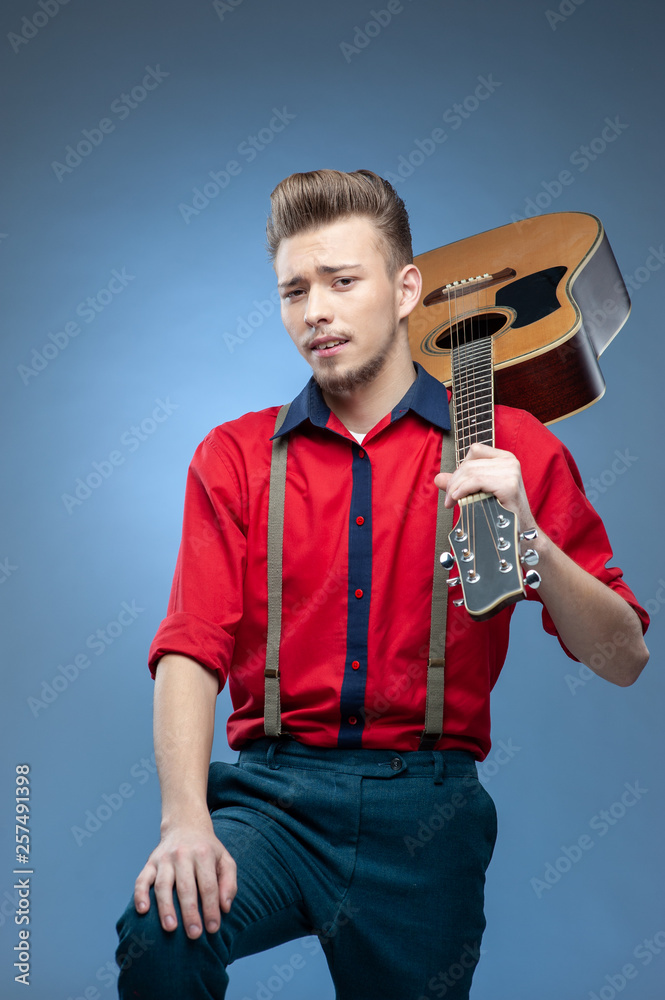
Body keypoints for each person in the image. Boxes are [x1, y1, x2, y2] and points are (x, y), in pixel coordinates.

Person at [115, 169, 649, 999]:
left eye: (341, 281)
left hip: (426, 819)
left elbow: (622, 656)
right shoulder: (234, 457)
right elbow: (191, 646)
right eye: (294, 290)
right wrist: (184, 820)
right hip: (273, 799)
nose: (315, 311)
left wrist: (530, 539)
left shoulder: (512, 450)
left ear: (407, 289)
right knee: (163, 935)